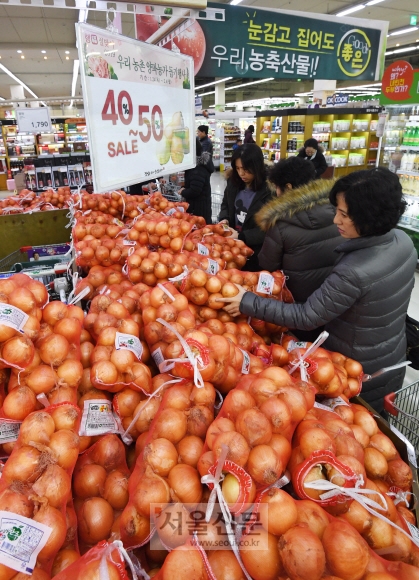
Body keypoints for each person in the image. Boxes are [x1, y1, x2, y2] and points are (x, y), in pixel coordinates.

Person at [218, 168, 417, 412]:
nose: (336, 221)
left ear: (369, 217)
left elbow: (306, 317)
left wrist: (246, 301)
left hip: (355, 370)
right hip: (391, 356)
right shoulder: (403, 241)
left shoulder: (353, 271)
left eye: (344, 215)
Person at [257, 157, 342, 341]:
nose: (276, 194)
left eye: (277, 188)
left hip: (296, 307)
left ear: (287, 187)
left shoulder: (280, 223)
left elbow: (267, 264)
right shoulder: (336, 211)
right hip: (333, 301)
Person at [218, 144, 275, 271]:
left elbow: (269, 228)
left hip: (257, 253)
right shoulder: (233, 182)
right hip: (233, 249)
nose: (241, 173)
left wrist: (241, 236)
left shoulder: (269, 190)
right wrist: (225, 218)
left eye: (246, 169)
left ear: (257, 167)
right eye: (237, 168)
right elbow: (226, 204)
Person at [178, 138, 213, 224]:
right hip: (200, 208)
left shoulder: (197, 169)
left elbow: (195, 191)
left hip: (199, 211)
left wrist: (183, 192)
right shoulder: (195, 166)